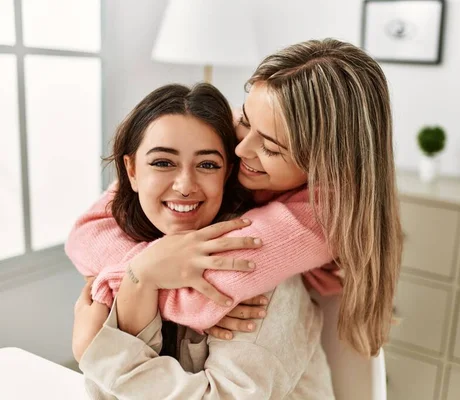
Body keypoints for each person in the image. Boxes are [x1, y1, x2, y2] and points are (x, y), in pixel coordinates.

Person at [69, 39, 402, 366]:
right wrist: (144, 266)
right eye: (244, 119)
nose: (240, 149)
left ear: (325, 164)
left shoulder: (325, 212)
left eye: (271, 148)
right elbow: (87, 232)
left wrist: (129, 279)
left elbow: (200, 301)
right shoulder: (237, 134)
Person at [75, 81, 336, 398]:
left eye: (208, 164)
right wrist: (140, 274)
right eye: (162, 162)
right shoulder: (128, 256)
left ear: (227, 173)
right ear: (131, 171)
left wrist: (104, 348)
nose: (185, 185)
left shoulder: (252, 270)